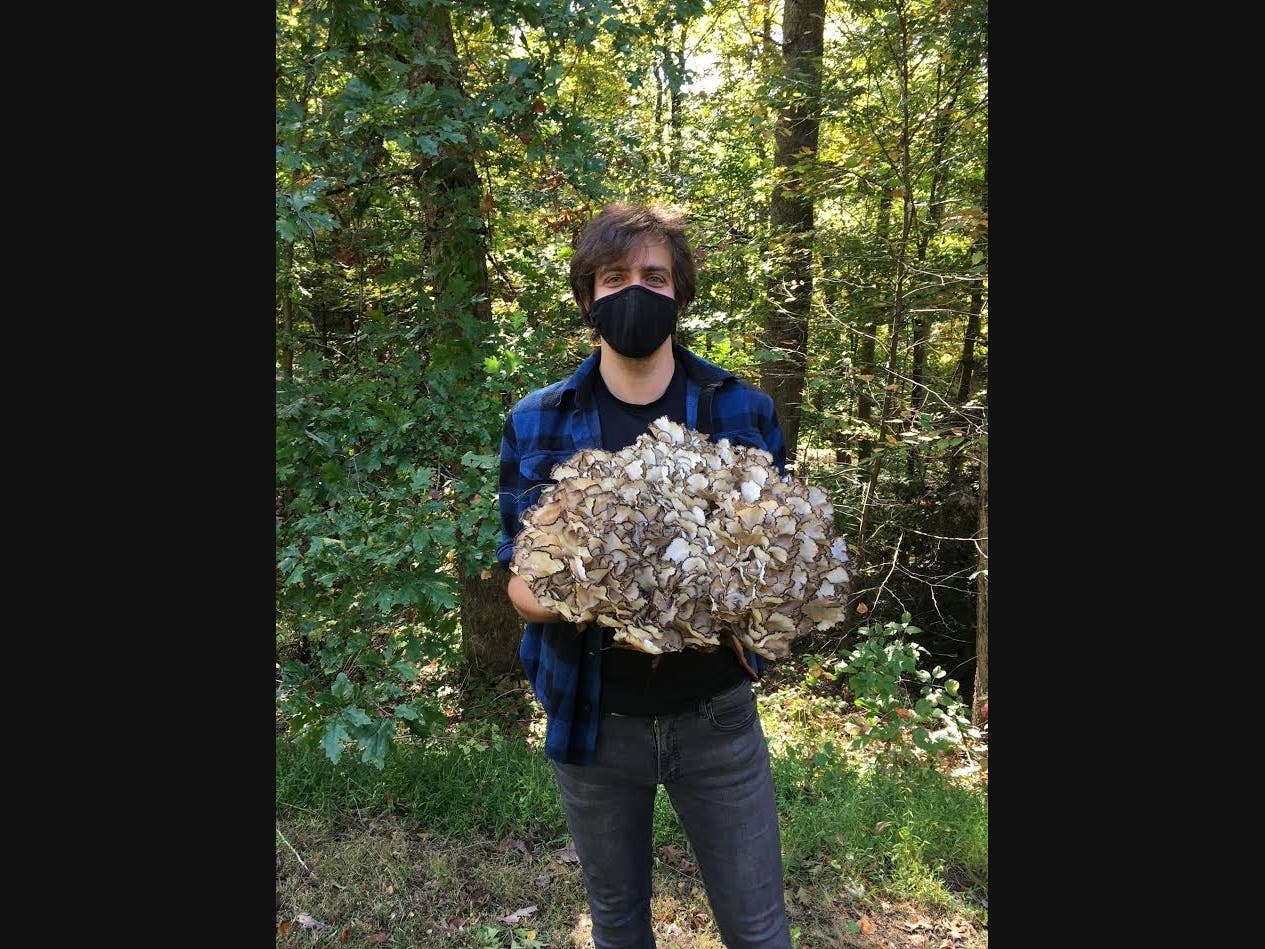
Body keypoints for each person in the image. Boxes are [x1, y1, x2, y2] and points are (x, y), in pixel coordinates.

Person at [496, 202, 793, 949]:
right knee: (619, 926)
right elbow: (522, 587)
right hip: (593, 720)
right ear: (588, 295)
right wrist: (612, 588)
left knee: (757, 930)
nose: (635, 291)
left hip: (715, 718)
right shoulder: (537, 419)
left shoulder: (741, 408)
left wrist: (727, 589)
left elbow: (783, 566)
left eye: (654, 276)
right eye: (615, 276)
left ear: (679, 294)